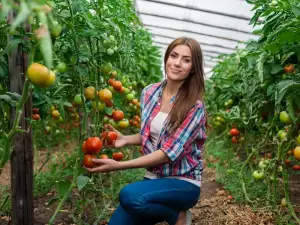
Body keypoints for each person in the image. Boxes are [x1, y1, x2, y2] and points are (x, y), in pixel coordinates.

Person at [85, 37, 207, 225]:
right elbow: (153, 134)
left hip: (184, 182)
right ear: (166, 57)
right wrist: (126, 139)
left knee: (129, 195)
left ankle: (177, 215)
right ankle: (174, 214)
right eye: (173, 56)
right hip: (155, 177)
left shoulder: (194, 106)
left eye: (186, 59)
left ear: (193, 67)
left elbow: (168, 152)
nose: (177, 63)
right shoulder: (149, 92)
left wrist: (119, 165)